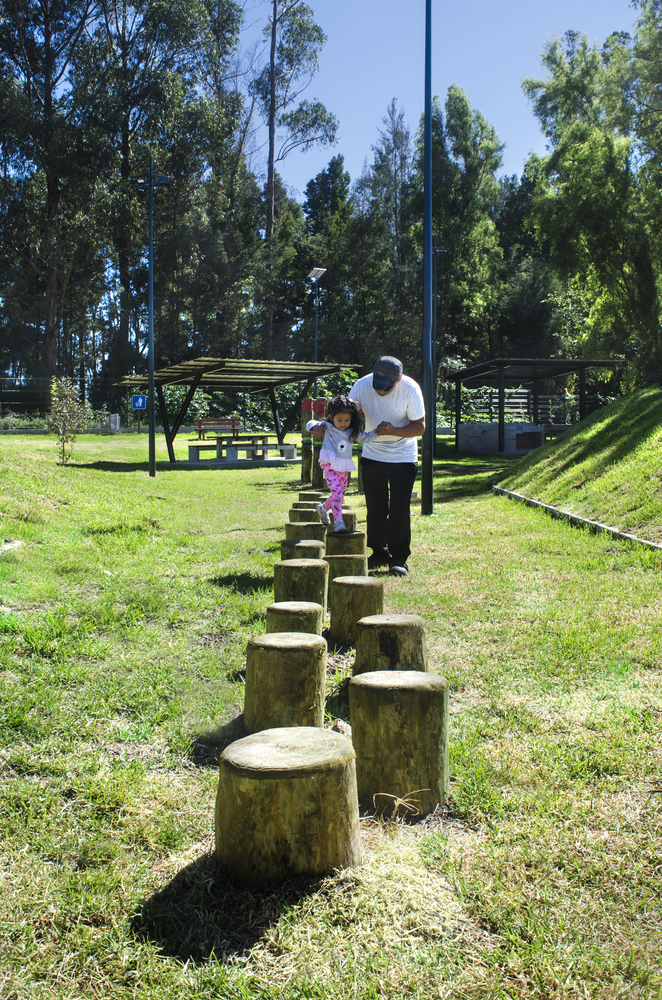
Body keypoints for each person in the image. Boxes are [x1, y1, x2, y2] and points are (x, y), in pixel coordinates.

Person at [348, 356, 425, 577]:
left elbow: (419, 427)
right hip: (373, 455)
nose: (381, 391)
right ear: (373, 372)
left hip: (403, 456)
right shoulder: (362, 385)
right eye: (378, 383)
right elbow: (347, 413)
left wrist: (392, 430)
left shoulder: (410, 389)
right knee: (376, 508)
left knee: (399, 509)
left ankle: (399, 557)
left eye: (387, 386)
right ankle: (379, 552)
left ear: (398, 379)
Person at [306, 395, 375, 533]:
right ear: (331, 417)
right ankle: (338, 522)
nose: (343, 423)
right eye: (339, 420)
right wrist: (316, 427)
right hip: (330, 466)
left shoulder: (351, 432)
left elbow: (366, 437)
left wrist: (378, 432)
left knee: (339, 495)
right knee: (337, 494)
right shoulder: (328, 426)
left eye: (347, 420)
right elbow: (309, 424)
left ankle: (323, 508)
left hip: (344, 468)